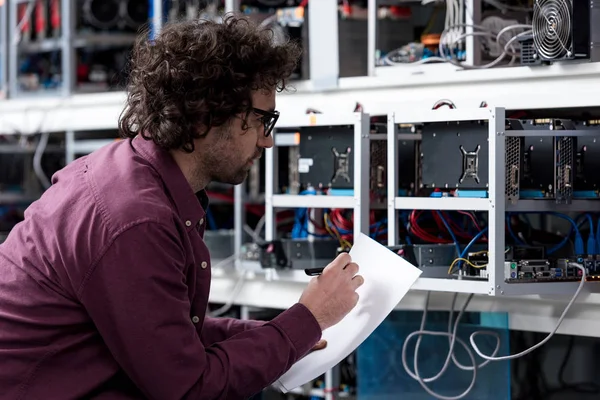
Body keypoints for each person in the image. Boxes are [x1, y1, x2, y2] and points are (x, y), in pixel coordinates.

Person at [0, 14, 364, 400]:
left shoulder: (133, 176)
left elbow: (159, 334)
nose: (267, 141)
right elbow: (189, 389)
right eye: (262, 121)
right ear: (209, 116)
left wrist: (285, 331)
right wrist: (305, 321)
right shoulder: (134, 220)